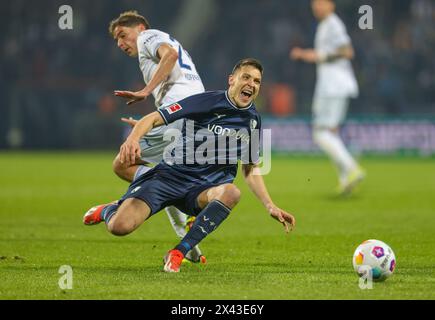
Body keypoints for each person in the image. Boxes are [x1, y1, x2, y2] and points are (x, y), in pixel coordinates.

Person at [83, 58, 296, 273]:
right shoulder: (206, 102)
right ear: (232, 80)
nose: (252, 84)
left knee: (231, 192)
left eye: (257, 81)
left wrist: (270, 205)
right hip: (170, 178)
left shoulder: (252, 120)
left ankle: (179, 252)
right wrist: (133, 139)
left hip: (202, 191)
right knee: (119, 227)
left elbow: (250, 167)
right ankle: (109, 210)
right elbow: (154, 117)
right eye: (246, 77)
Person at [91, 11, 206, 263]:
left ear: (140, 27)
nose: (120, 43)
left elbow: (170, 55)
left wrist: (145, 91)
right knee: (171, 177)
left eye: (123, 35)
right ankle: (186, 240)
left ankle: (120, 205)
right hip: (191, 117)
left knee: (122, 163)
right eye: (116, 40)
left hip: (177, 117)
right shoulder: (164, 43)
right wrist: (151, 124)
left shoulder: (148, 37)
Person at [290, 0, 365, 195]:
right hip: (332, 85)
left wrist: (318, 56)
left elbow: (347, 51)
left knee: (320, 133)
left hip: (333, 86)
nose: (316, 7)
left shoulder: (333, 24)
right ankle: (345, 181)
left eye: (321, 3)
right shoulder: (325, 25)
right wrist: (311, 55)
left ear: (331, 5)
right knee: (331, 132)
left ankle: (352, 169)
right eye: (314, 4)